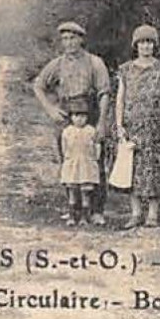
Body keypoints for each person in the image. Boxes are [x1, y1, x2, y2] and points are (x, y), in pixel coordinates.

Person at [32, 20, 113, 224]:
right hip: (66, 112)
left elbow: (104, 93)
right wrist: (50, 109)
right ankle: (73, 209)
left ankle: (96, 210)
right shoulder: (57, 64)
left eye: (73, 38)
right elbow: (38, 85)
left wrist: (102, 121)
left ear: (81, 40)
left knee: (94, 161)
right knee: (68, 159)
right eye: (65, 39)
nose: (69, 43)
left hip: (90, 111)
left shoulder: (94, 62)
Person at [115, 24, 160, 230]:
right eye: (142, 42)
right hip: (132, 126)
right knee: (131, 170)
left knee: (154, 169)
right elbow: (120, 98)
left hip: (155, 127)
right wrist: (119, 124)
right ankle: (135, 213)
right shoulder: (125, 69)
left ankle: (153, 214)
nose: (146, 46)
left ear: (155, 45)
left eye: (149, 42)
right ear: (136, 45)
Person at [58, 108, 100, 225]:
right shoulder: (67, 131)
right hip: (73, 163)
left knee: (85, 192)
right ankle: (72, 216)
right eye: (76, 116)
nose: (80, 119)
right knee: (72, 190)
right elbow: (64, 147)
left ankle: (84, 217)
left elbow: (97, 146)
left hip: (86, 164)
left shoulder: (91, 131)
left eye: (83, 116)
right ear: (71, 117)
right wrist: (68, 158)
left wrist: (94, 158)